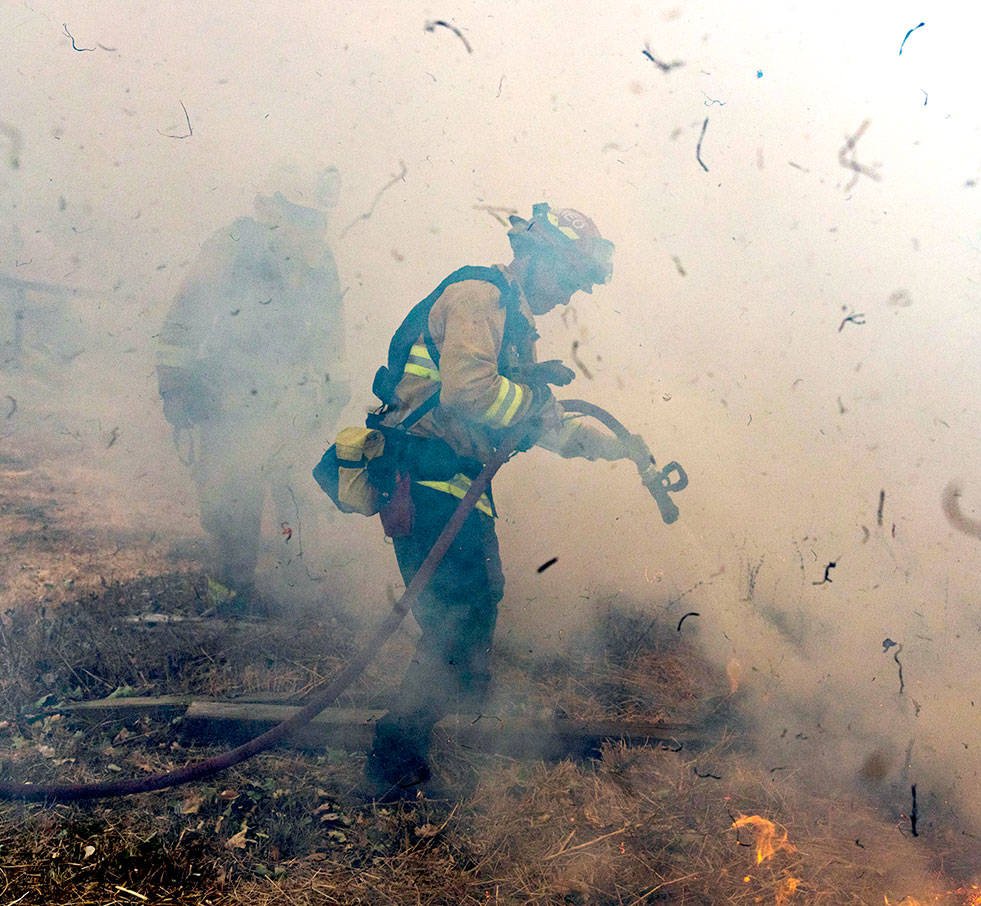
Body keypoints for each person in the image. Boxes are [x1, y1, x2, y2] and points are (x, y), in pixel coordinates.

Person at [363, 202, 650, 797]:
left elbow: (538, 424)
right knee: (455, 619)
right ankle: (391, 763)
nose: (569, 295)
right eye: (567, 279)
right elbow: (472, 394)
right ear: (537, 258)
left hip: (460, 485)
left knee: (478, 603)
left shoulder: (514, 324)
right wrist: (532, 401)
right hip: (427, 480)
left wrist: (615, 448)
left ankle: (450, 709)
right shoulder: (478, 298)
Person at [156, 163, 348, 614]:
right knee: (232, 499)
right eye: (304, 217)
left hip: (292, 403)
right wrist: (175, 387)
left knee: (297, 496)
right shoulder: (233, 246)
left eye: (319, 220)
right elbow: (184, 316)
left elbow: (331, 334)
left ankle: (294, 593)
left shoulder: (320, 262)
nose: (313, 230)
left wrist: (333, 391)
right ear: (278, 210)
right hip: (228, 398)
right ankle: (230, 597)